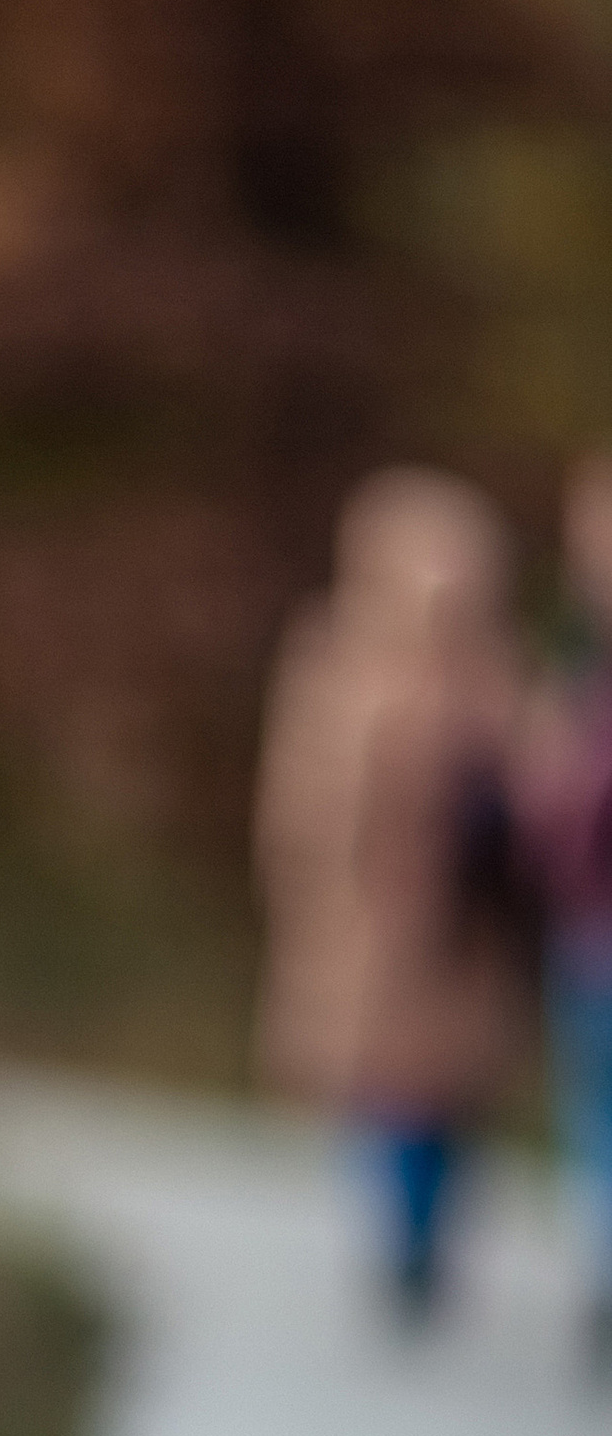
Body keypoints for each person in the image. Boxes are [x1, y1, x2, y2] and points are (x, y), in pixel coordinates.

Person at [253, 467, 536, 1318]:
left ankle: (422, 1237)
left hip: (459, 928)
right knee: (385, 1090)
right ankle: (403, 1239)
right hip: (370, 919)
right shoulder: (340, 657)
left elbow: (529, 793)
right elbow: (303, 793)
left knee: (442, 1097)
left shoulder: (490, 672)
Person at [521, 452, 612, 1368]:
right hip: (590, 930)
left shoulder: (586, 670)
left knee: (597, 1111)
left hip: (593, 930)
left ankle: (604, 1265)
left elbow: (555, 806)